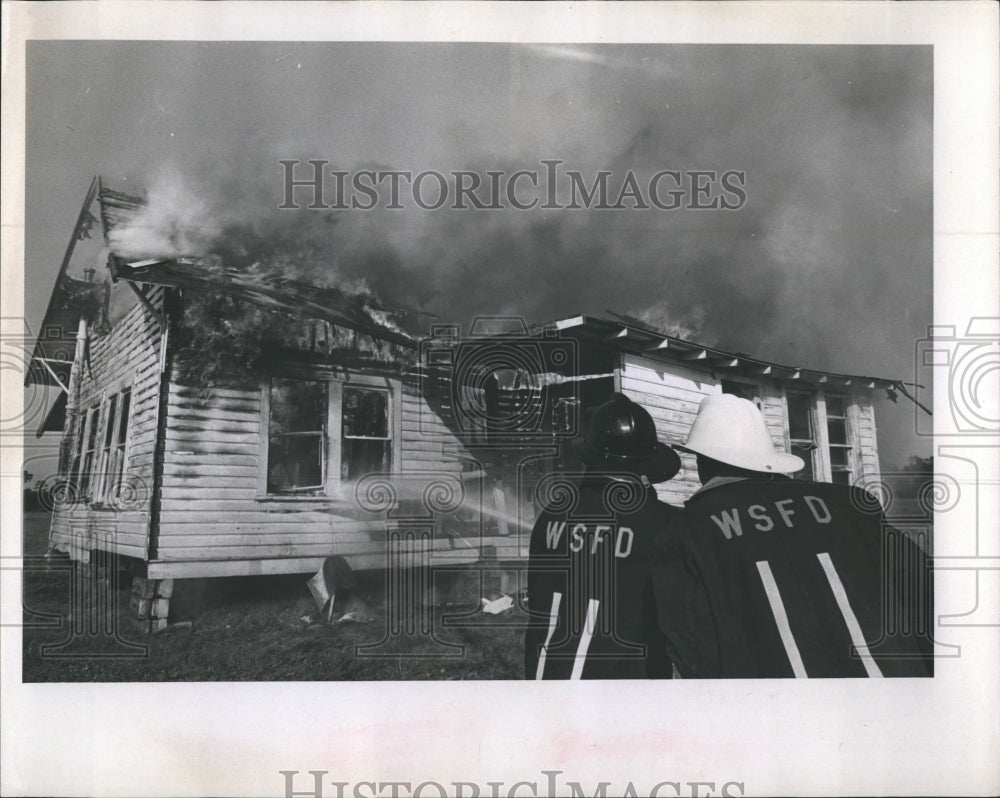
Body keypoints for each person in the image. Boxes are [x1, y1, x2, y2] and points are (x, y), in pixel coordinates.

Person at [653, 393, 933, 678]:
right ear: (768, 459)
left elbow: (694, 651)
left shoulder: (687, 531)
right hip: (898, 701)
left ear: (703, 461)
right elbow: (925, 591)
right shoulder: (852, 504)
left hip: (785, 713)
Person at [524, 392, 682, 679]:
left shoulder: (551, 516)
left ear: (591, 457)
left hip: (547, 684)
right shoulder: (666, 525)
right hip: (625, 697)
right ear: (646, 470)